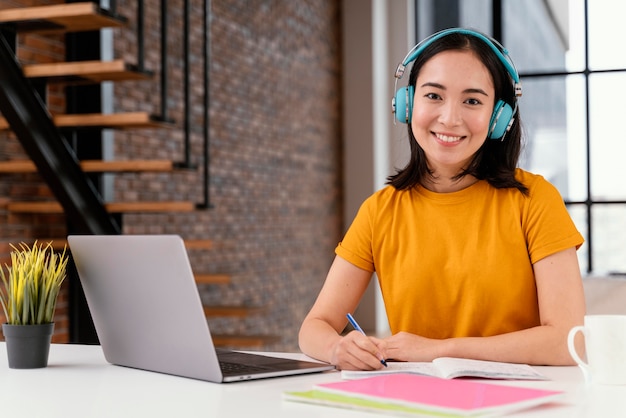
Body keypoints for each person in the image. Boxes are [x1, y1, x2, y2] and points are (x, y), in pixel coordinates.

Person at [298, 28, 585, 370]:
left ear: (499, 117)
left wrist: (437, 349)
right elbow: (315, 327)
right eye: (434, 96)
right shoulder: (380, 210)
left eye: (472, 100)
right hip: (416, 398)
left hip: (519, 399)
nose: (449, 118)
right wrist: (336, 348)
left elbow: (569, 341)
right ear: (408, 103)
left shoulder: (535, 201)